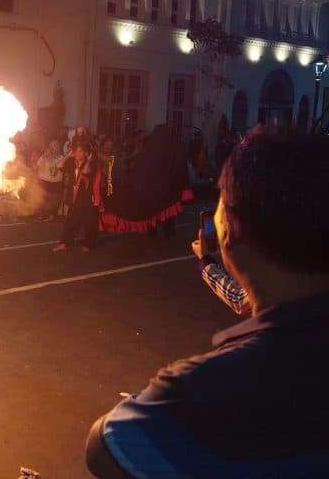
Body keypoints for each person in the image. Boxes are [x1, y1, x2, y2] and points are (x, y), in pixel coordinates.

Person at [85, 129, 329, 477]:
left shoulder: (205, 388)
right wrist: (209, 267)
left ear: (229, 228)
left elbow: (107, 442)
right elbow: (244, 300)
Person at [53, 142, 103, 253]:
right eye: (76, 151)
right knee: (70, 221)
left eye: (80, 151)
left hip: (88, 197)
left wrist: (89, 160)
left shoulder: (92, 164)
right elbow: (59, 166)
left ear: (86, 153)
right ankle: (64, 243)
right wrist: (67, 156)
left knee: (89, 222)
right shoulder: (71, 162)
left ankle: (89, 244)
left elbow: (85, 172)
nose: (76, 153)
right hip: (75, 198)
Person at [35, 139, 64, 221]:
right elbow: (38, 165)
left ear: (59, 148)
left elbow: (61, 167)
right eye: (52, 145)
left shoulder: (61, 157)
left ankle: (52, 214)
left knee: (54, 199)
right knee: (43, 198)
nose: (54, 147)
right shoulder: (44, 156)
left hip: (56, 182)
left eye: (56, 145)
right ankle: (42, 214)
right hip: (44, 180)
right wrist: (44, 156)